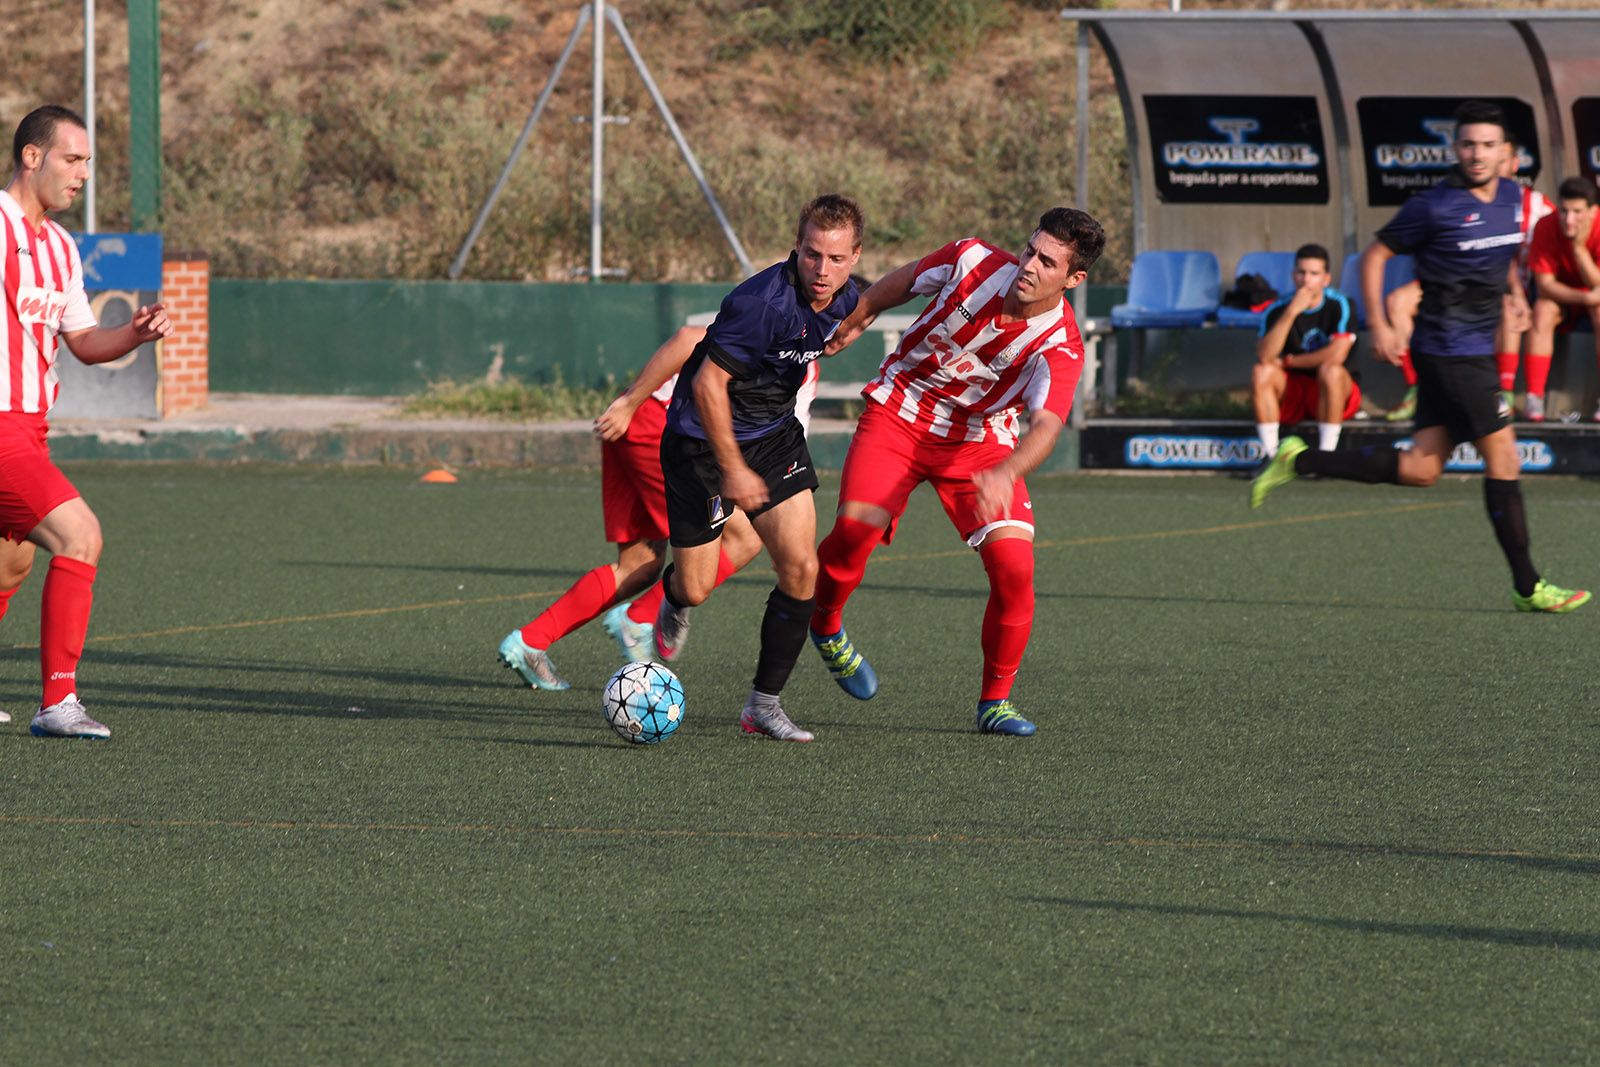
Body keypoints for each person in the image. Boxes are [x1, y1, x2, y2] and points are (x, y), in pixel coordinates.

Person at [1253, 101, 1589, 615]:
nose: (1477, 154)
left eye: (1488, 145)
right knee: (1505, 456)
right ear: (1456, 148)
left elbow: (1499, 262)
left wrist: (1514, 298)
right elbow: (1375, 256)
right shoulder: (1434, 205)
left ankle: (1299, 457)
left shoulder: (1518, 202)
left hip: (1470, 350)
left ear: (1507, 153)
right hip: (1450, 353)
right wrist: (1382, 324)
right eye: (1469, 144)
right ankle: (1529, 586)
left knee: (1420, 468)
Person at [807, 207, 1106, 738]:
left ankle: (995, 701)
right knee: (854, 532)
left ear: (1074, 279)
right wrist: (865, 310)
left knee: (1015, 570)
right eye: (1030, 249)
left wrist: (1006, 472)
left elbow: (1046, 426)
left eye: (1048, 261)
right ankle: (826, 624)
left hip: (980, 444)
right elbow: (907, 278)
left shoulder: (1061, 345)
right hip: (900, 413)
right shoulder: (971, 258)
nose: (1029, 265)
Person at [649, 193, 864, 743]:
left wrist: (859, 324)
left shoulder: (846, 298)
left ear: (855, 258)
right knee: (696, 587)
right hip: (701, 441)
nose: (822, 270)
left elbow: (884, 295)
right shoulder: (762, 303)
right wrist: (733, 470)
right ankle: (672, 598)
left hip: (773, 436)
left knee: (801, 570)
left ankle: (762, 706)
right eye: (813, 255)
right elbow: (706, 384)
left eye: (836, 259)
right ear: (797, 247)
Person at [1, 105, 172, 736]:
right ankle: (58, 703)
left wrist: (133, 331)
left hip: (30, 429)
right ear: (32, 156)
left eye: (88, 163)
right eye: (73, 160)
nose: (83, 175)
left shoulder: (61, 248)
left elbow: (82, 342)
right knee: (82, 536)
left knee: (12, 564)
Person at [496, 326, 763, 690]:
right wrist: (630, 403)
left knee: (639, 566)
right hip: (660, 427)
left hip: (645, 422)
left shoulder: (796, 331)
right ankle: (640, 617)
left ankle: (529, 642)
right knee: (744, 537)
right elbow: (688, 339)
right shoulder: (791, 328)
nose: (850, 332)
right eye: (852, 320)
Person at [1384, 139, 1551, 422]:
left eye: (1500, 160)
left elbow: (1543, 254)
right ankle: (1417, 389)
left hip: (1499, 290)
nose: (1493, 166)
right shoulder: (1453, 199)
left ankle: (1504, 394)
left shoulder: (1535, 206)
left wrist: (1522, 293)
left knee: (1509, 308)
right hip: (1450, 286)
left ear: (1513, 164)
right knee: (1397, 300)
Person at [1251, 243, 1359, 458]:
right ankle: (1273, 459)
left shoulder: (1340, 304)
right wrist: (1291, 312)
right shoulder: (1278, 309)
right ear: (1293, 275)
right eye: (1301, 272)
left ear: (1326, 278)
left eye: (1314, 273)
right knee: (1260, 371)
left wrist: (1289, 362)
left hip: (1332, 392)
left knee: (1331, 370)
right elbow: (1265, 356)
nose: (1307, 280)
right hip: (1293, 392)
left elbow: (1337, 355)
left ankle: (1326, 457)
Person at [1524, 177, 1600, 422]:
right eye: (1564, 211)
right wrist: (1587, 297)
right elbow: (1545, 286)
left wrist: (1579, 248)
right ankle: (1534, 397)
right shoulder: (1546, 225)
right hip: (1564, 298)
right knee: (1542, 310)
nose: (1569, 219)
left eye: (1577, 212)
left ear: (1592, 211)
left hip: (1593, 299)